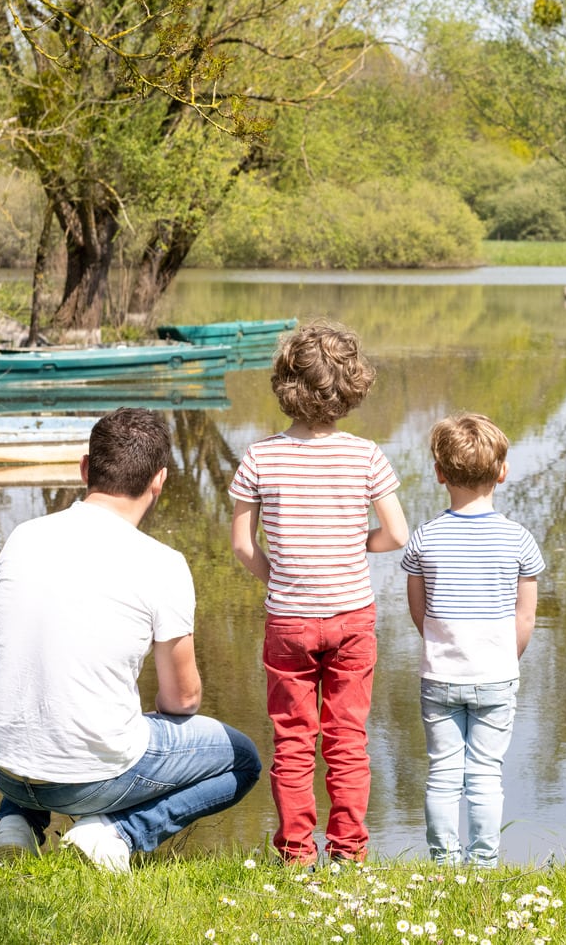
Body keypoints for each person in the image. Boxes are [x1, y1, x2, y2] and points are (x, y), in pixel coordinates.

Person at [0, 407, 262, 874]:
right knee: (243, 760)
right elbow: (183, 700)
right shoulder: (161, 563)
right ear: (160, 480)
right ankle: (118, 832)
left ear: (85, 468)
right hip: (88, 779)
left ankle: (17, 824)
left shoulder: (22, 537)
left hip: (0, 763)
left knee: (39, 692)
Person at [229, 320, 409, 866]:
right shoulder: (365, 456)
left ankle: (296, 853)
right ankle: (350, 851)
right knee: (347, 737)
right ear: (351, 386)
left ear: (286, 384)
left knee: (293, 739)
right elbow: (398, 535)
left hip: (288, 620)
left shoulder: (260, 457)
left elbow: (241, 546)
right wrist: (354, 547)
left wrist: (281, 573)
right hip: (352, 614)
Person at [401, 413, 544, 867]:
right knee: (486, 773)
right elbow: (526, 616)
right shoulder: (519, 540)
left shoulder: (425, 537)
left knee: (443, 772)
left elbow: (418, 611)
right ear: (502, 472)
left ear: (440, 473)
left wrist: (443, 642)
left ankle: (444, 862)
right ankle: (483, 864)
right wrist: (506, 656)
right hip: (497, 675)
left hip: (440, 673)